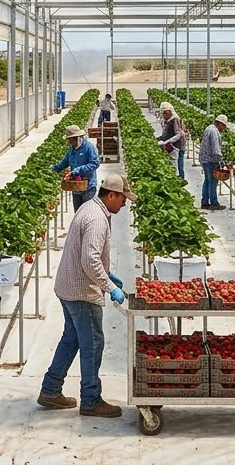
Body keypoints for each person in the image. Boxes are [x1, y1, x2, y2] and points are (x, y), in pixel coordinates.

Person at [36, 173, 135, 418]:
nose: (125, 203)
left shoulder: (90, 206)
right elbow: (89, 259)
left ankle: (50, 389)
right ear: (111, 195)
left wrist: (108, 273)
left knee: (71, 339)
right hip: (81, 291)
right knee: (92, 344)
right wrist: (109, 287)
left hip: (67, 286)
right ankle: (91, 399)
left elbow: (88, 253)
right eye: (123, 198)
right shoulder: (97, 220)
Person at [50, 124, 100, 211]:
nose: (69, 142)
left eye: (70, 139)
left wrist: (77, 170)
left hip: (88, 187)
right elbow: (65, 162)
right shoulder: (72, 149)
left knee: (87, 213)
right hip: (76, 186)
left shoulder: (88, 147)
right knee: (77, 214)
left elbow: (95, 163)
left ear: (76, 138)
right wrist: (54, 168)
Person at [197, 114, 229, 212]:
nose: (223, 128)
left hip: (204, 159)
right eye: (223, 126)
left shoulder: (209, 128)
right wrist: (221, 162)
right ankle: (214, 203)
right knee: (213, 182)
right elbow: (216, 151)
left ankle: (205, 202)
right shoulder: (215, 132)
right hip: (211, 160)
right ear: (219, 123)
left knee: (207, 180)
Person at [156, 103, 186, 180]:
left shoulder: (175, 120)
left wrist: (167, 142)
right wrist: (158, 139)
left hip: (178, 146)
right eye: (163, 114)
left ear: (170, 113)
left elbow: (179, 134)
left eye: (165, 114)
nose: (164, 116)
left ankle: (180, 179)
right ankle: (178, 178)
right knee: (175, 163)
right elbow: (166, 134)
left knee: (178, 163)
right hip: (173, 146)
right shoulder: (169, 121)